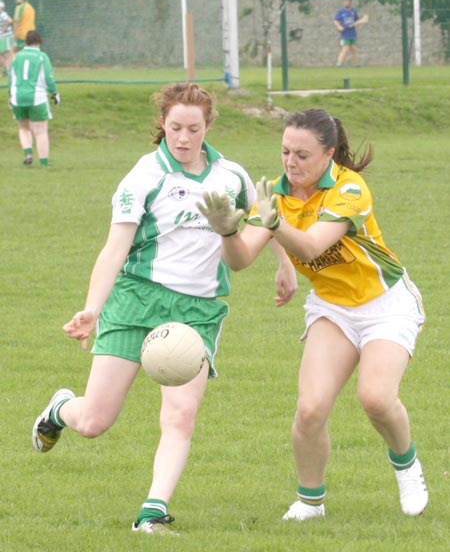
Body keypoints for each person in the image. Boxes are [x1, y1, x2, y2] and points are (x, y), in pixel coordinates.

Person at [31, 83, 297, 535]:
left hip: (195, 311)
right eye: (175, 127)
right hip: (136, 299)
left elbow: (260, 215)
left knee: (180, 414)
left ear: (208, 126)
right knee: (94, 422)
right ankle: (59, 410)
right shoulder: (143, 177)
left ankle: (151, 513)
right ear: (163, 125)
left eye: (194, 128)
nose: (184, 138)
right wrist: (93, 308)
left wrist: (285, 264)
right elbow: (114, 249)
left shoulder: (230, 175)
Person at [197, 108, 429, 521]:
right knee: (310, 409)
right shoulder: (277, 196)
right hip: (333, 307)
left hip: (386, 305)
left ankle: (407, 465)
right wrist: (227, 232)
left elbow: (310, 247)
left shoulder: (350, 188)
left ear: (330, 154)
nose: (291, 162)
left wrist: (275, 224)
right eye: (286, 151)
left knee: (375, 398)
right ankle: (310, 501)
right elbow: (240, 260)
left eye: (302, 155)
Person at [8, 29, 60, 166]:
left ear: (26, 41)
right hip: (37, 97)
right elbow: (48, 78)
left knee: (23, 128)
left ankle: (28, 153)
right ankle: (44, 162)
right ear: (40, 41)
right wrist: (54, 93)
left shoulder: (17, 56)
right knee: (41, 131)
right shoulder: (42, 57)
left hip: (17, 97)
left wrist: (10, 95)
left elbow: (11, 78)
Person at [333, 0, 366, 67]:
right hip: (345, 34)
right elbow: (335, 20)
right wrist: (339, 26)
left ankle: (355, 63)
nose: (346, 2)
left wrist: (359, 25)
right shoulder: (341, 11)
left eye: (347, 1)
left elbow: (357, 21)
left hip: (352, 33)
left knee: (354, 49)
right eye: (345, 1)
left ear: (350, 2)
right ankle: (339, 63)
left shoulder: (353, 11)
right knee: (345, 48)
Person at [0, 0, 13, 76]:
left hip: (1, 37)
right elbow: (10, 21)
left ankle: (5, 71)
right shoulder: (2, 14)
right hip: (5, 37)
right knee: (8, 55)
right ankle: (8, 71)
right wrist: (4, 29)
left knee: (3, 55)